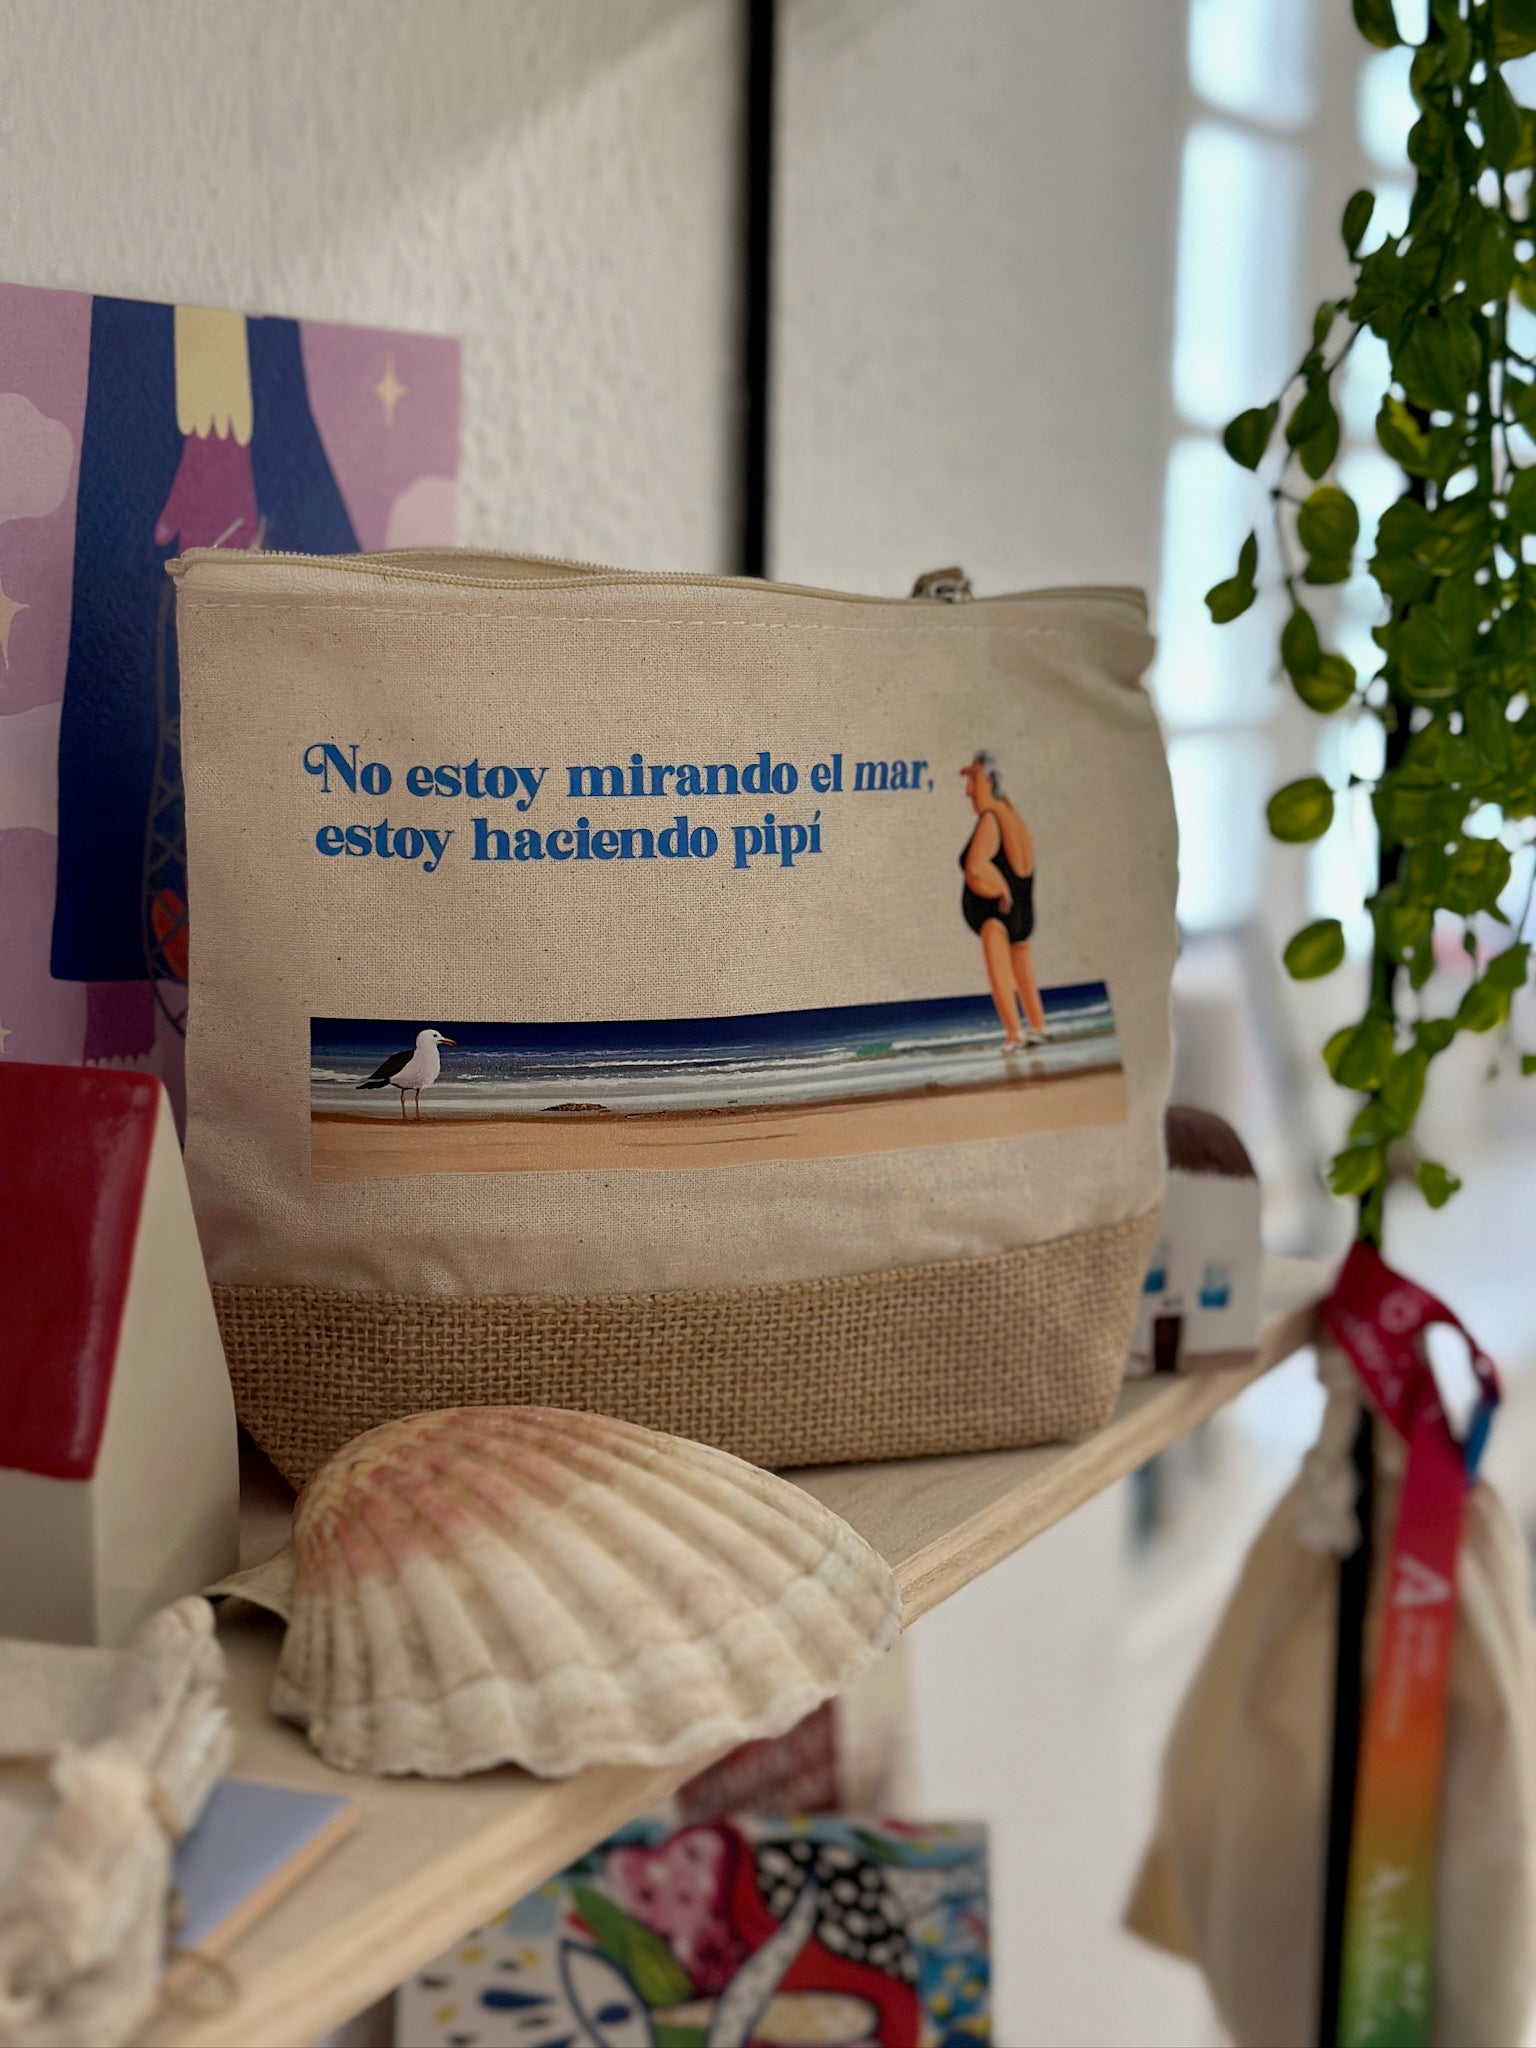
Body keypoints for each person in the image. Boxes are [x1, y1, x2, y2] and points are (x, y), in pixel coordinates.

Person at [959, 753, 1047, 1047]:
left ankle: (1014, 1033)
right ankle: (1038, 1026)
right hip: (1023, 913)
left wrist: (1000, 889)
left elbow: (975, 868)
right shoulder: (1012, 816)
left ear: (990, 781)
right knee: (1023, 969)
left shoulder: (990, 819)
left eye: (974, 780)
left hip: (997, 915)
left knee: (1002, 974)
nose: (969, 791)